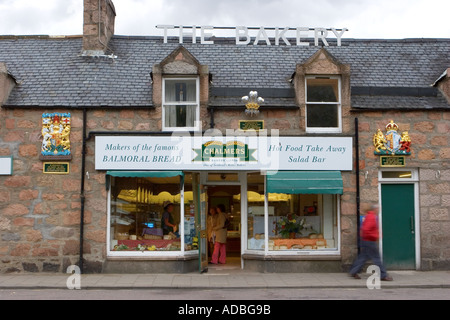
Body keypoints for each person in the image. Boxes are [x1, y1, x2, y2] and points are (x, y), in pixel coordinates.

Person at [349, 204, 393, 281]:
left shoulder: (369, 216)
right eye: (378, 208)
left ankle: (354, 271)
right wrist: (374, 235)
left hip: (367, 240)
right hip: (370, 241)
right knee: (377, 258)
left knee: (363, 257)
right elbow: (366, 229)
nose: (379, 210)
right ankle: (383, 275)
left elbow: (365, 229)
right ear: (375, 209)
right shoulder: (371, 217)